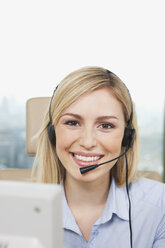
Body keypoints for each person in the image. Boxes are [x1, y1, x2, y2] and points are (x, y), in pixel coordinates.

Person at [32, 66, 165, 248]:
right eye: (72, 122)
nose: (87, 142)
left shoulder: (160, 206)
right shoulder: (15, 210)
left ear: (127, 137)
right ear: (52, 133)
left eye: (106, 125)